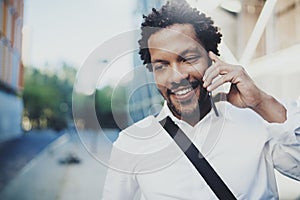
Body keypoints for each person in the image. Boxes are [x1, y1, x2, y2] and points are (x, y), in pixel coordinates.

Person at [102, 1, 300, 199]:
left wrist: (261, 103)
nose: (177, 77)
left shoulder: (259, 122)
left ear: (212, 58)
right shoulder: (131, 144)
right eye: (162, 66)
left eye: (187, 59)